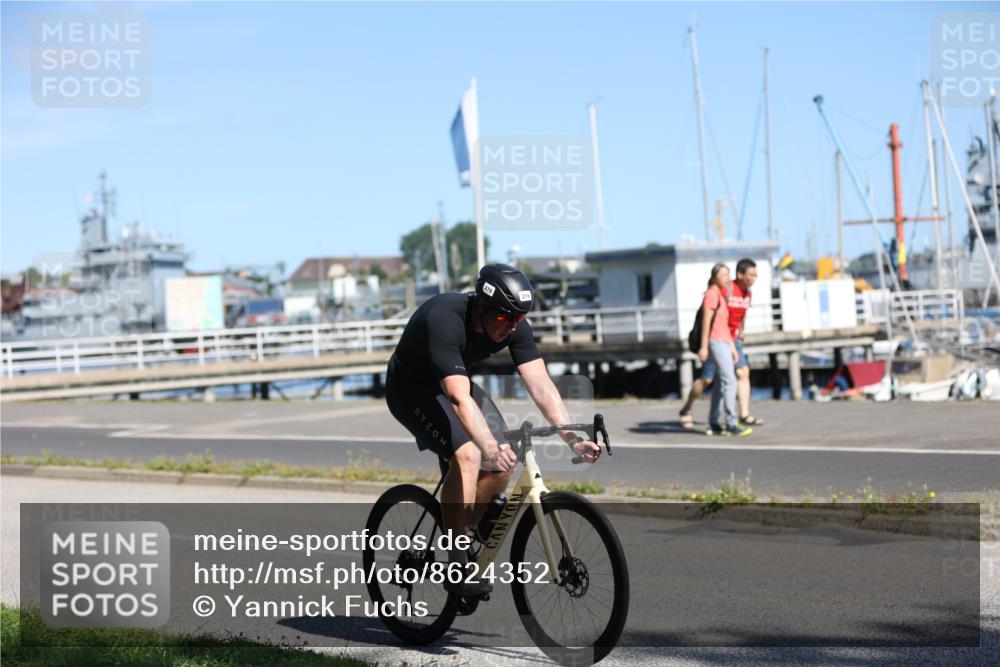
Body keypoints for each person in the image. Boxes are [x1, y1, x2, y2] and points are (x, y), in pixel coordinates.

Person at [385, 263, 602, 598]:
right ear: (482, 305)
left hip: (453, 384)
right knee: (471, 454)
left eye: (519, 319)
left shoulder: (513, 323)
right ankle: (458, 564)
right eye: (505, 318)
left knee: (507, 456)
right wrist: (487, 446)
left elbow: (542, 386)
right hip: (412, 389)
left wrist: (573, 439)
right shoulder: (444, 318)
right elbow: (458, 398)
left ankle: (470, 523)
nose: (512, 327)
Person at [679, 258, 763, 428]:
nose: (754, 278)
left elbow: (742, 313)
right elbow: (710, 315)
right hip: (716, 339)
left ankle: (743, 415)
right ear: (740, 274)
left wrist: (742, 330)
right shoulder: (725, 289)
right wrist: (704, 345)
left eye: (756, 275)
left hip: (732, 338)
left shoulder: (748, 293)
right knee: (708, 380)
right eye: (751, 274)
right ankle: (687, 408)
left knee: (742, 372)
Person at [695, 263, 752, 437]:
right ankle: (731, 422)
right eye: (724, 275)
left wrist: (732, 346)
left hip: (723, 341)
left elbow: (724, 325)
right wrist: (704, 346)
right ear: (715, 277)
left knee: (720, 383)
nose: (728, 278)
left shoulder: (720, 295)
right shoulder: (712, 294)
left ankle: (713, 423)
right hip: (715, 342)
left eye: (728, 275)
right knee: (730, 380)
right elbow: (707, 322)